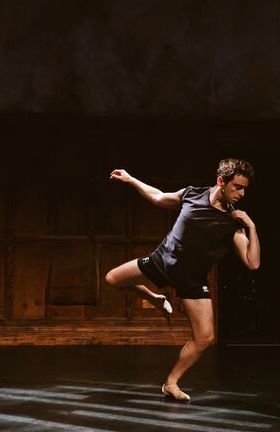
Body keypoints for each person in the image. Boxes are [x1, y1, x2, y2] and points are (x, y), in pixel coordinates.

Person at [105, 158, 260, 401]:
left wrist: (251, 226)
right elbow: (157, 197)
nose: (241, 193)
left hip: (193, 279)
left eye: (244, 189)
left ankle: (171, 382)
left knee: (206, 337)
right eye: (237, 187)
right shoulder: (192, 194)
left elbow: (253, 263)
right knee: (112, 278)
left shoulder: (233, 223)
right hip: (162, 261)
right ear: (221, 181)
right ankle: (155, 299)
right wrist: (131, 179)